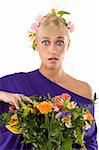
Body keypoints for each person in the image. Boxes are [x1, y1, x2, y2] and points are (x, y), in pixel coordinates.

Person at [0, 9, 98, 150]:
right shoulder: (12, 85)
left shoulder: (83, 90)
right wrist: (4, 95)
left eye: (59, 42)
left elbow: (89, 141)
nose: (52, 50)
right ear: (36, 44)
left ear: (68, 45)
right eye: (46, 42)